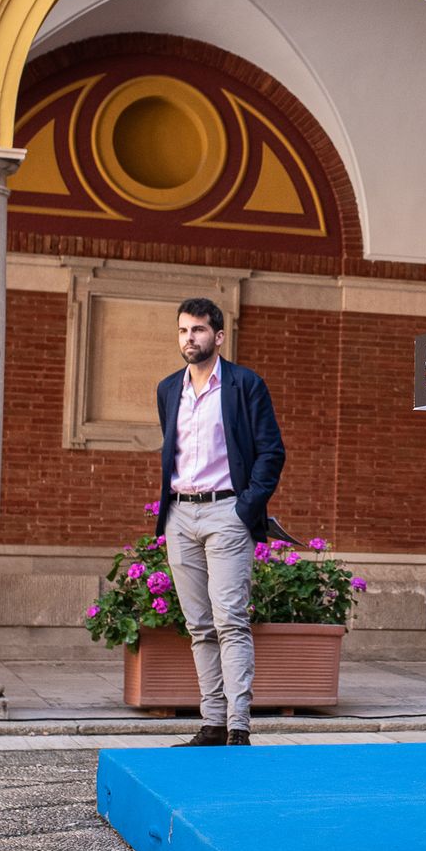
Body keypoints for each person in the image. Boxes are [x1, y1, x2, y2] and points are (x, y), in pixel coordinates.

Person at [155, 297, 286, 747]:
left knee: (230, 619)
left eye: (198, 330)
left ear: (219, 336)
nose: (189, 338)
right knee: (198, 625)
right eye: (182, 331)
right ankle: (211, 723)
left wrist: (246, 506)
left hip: (226, 512)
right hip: (179, 514)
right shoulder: (168, 389)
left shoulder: (245, 385)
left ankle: (238, 725)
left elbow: (272, 451)